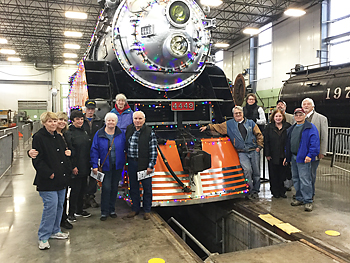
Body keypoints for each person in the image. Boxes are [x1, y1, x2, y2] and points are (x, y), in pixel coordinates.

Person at [200, 106, 264, 198]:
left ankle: (256, 190)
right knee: (247, 170)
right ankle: (250, 190)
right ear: (233, 115)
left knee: (256, 172)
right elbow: (218, 126)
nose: (238, 114)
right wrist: (207, 127)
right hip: (242, 152)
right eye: (236, 113)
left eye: (239, 113)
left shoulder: (251, 123)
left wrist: (259, 146)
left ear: (242, 113)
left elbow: (259, 134)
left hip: (253, 150)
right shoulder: (229, 124)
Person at [31, 112, 70, 250]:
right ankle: (43, 236)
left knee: (60, 205)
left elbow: (63, 155)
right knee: (51, 207)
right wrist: (49, 174)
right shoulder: (38, 137)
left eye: (54, 121)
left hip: (61, 179)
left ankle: (55, 230)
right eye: (50, 121)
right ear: (44, 123)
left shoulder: (58, 137)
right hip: (47, 181)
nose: (53, 124)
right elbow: (37, 159)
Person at [90, 113, 126, 221]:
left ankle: (112, 210)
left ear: (116, 122)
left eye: (113, 120)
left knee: (114, 188)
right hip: (104, 166)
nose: (111, 122)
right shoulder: (99, 134)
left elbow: (125, 147)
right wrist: (95, 165)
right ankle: (104, 212)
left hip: (117, 166)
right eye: (109, 120)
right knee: (106, 188)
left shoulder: (121, 133)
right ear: (105, 121)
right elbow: (94, 150)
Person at [284, 108, 320, 212]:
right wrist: (287, 156)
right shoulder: (292, 128)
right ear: (294, 116)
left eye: (301, 114)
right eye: (296, 115)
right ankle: (299, 198)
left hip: (304, 158)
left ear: (305, 115)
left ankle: (308, 200)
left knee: (305, 179)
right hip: (294, 157)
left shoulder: (310, 128)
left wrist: (310, 155)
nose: (298, 116)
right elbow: (288, 143)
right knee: (296, 178)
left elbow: (315, 143)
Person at [125, 111, 157, 220]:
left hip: (144, 164)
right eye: (135, 119)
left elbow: (153, 150)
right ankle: (135, 209)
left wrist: (151, 165)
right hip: (132, 162)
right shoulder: (129, 129)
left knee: (146, 188)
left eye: (140, 119)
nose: (137, 121)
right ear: (133, 120)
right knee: (133, 187)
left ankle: (147, 210)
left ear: (144, 120)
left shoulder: (149, 132)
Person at [65, 110, 92, 222]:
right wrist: (73, 166)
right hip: (76, 166)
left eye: (81, 119)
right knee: (75, 191)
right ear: (72, 120)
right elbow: (70, 152)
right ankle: (71, 213)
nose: (80, 121)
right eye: (77, 119)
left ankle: (79, 210)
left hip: (85, 165)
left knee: (82, 189)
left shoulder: (84, 131)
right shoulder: (69, 133)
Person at [301, 98, 328, 198]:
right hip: (301, 152)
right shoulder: (299, 118)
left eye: (308, 104)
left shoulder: (321, 119)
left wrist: (322, 151)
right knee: (302, 175)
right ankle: (303, 193)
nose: (306, 106)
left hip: (314, 152)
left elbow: (324, 136)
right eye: (304, 104)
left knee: (311, 174)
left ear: (313, 106)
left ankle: (310, 194)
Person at [82, 99, 104, 209]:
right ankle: (83, 198)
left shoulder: (99, 122)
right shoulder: (80, 120)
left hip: (95, 152)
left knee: (93, 175)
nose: (90, 111)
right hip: (83, 153)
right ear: (85, 109)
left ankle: (91, 196)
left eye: (92, 109)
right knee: (83, 175)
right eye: (88, 109)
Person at [264, 109, 291, 198]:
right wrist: (267, 154)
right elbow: (266, 141)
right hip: (272, 154)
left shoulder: (288, 127)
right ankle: (275, 192)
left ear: (283, 117)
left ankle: (282, 191)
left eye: (280, 116)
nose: (278, 118)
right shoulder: (268, 127)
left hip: (284, 154)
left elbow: (289, 141)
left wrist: (288, 155)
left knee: (283, 174)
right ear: (273, 117)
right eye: (276, 116)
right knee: (273, 174)